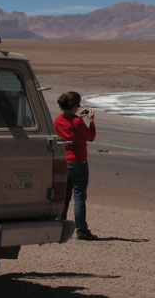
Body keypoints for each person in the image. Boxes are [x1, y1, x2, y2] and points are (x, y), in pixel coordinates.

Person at [54, 91, 98, 241]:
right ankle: (82, 231)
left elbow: (69, 127)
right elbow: (90, 137)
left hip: (64, 161)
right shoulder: (77, 122)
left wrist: (77, 117)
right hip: (78, 162)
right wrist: (91, 121)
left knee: (64, 197)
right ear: (74, 106)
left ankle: (59, 227)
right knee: (79, 197)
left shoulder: (58, 121)